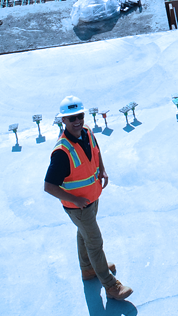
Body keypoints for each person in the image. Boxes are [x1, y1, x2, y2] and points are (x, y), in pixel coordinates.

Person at [44, 96, 132, 301]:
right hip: (79, 207)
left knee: (84, 234)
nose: (77, 121)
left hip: (92, 198)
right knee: (94, 241)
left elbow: (96, 150)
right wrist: (75, 201)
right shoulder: (61, 152)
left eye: (80, 116)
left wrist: (102, 169)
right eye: (71, 117)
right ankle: (111, 286)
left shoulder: (87, 133)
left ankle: (88, 269)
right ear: (63, 121)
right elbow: (49, 186)